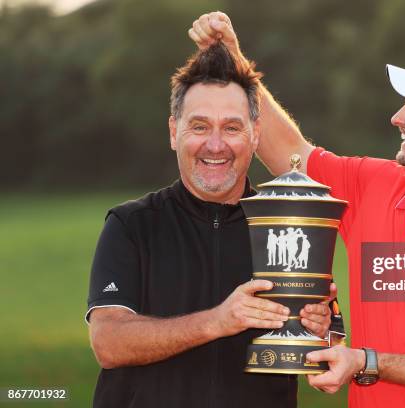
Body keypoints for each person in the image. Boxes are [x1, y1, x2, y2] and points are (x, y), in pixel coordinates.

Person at [188, 12, 405, 408]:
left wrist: (367, 362)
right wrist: (234, 58)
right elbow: (292, 154)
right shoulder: (376, 184)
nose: (397, 118)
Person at [86, 43, 343, 408]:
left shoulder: (290, 225)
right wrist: (217, 321)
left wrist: (320, 333)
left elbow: (329, 361)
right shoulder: (131, 224)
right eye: (200, 126)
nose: (216, 144)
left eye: (232, 127)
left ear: (255, 133)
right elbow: (108, 343)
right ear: (174, 131)